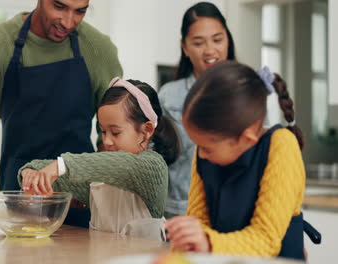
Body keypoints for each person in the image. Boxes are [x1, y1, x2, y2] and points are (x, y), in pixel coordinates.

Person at [0, 0, 123, 215]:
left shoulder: (97, 49)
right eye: (59, 6)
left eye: (80, 11)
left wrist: (99, 187)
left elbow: (116, 130)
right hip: (18, 200)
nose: (68, 22)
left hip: (80, 202)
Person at [165, 61, 320, 260]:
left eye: (207, 147)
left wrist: (207, 242)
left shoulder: (281, 146)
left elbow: (265, 240)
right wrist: (187, 238)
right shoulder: (206, 150)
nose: (201, 155)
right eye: (198, 144)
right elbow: (199, 221)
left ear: (246, 138)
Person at [17, 78, 180, 226]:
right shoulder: (96, 174)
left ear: (147, 130)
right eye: (103, 131)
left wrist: (59, 166)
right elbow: (51, 172)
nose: (107, 141)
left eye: (115, 133)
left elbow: (122, 165)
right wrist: (31, 172)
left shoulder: (152, 165)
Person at [158, 2, 236, 218]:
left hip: (233, 214)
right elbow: (155, 158)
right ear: (185, 48)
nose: (210, 50)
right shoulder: (168, 96)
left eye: (217, 40)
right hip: (180, 215)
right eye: (199, 42)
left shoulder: (246, 92)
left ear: (228, 39)